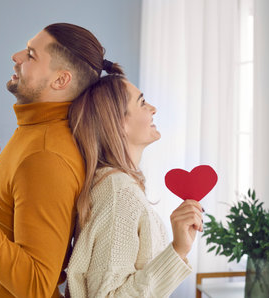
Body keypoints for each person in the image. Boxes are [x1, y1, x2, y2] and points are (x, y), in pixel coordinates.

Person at [0, 23, 118, 297]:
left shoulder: (45, 155)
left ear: (60, 80)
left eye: (30, 54)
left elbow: (37, 284)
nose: (16, 56)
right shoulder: (35, 134)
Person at [65, 73, 204, 297]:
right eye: (142, 102)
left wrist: (178, 250)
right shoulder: (118, 194)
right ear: (119, 124)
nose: (153, 108)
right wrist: (178, 250)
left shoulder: (116, 186)